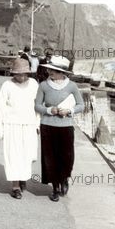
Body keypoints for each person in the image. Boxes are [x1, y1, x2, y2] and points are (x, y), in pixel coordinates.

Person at [34, 55, 84, 202]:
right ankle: (55, 187)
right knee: (50, 158)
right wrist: (50, 111)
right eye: (50, 70)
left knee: (67, 157)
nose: (50, 72)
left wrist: (69, 111)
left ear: (62, 72)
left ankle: (64, 179)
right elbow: (37, 105)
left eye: (54, 71)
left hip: (66, 126)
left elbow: (81, 105)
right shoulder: (43, 85)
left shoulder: (72, 86)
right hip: (47, 126)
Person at [0, 58, 40, 199]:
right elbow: (0, 107)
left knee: (28, 155)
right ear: (13, 73)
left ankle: (22, 178)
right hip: (11, 124)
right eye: (19, 74)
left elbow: (37, 105)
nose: (22, 76)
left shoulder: (33, 84)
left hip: (29, 124)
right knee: (13, 154)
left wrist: (38, 123)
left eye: (25, 73)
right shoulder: (7, 85)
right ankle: (15, 186)